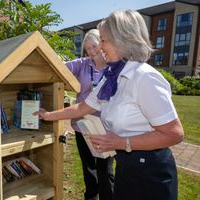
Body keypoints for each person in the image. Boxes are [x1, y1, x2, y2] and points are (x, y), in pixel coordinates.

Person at [34, 10, 184, 200]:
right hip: (126, 166)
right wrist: (47, 115)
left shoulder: (144, 77)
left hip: (150, 174)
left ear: (122, 38)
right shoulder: (113, 78)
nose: (100, 47)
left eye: (103, 40)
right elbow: (82, 108)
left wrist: (121, 143)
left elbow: (174, 133)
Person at [65, 29, 114, 200]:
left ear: (102, 43)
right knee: (88, 168)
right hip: (82, 123)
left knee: (105, 169)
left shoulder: (114, 66)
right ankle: (91, 197)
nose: (92, 52)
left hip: (105, 127)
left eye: (94, 46)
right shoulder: (83, 64)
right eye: (87, 49)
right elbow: (60, 68)